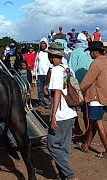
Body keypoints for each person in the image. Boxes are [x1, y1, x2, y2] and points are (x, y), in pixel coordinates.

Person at [45, 42, 78, 180]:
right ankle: (64, 176)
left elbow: (57, 92)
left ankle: (70, 175)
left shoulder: (57, 70)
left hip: (61, 114)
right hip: (71, 112)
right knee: (64, 146)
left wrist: (53, 116)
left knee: (52, 145)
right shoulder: (68, 68)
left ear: (51, 56)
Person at [77, 41, 107, 159]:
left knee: (98, 124)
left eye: (90, 51)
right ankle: (85, 145)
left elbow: (88, 80)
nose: (89, 54)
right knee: (94, 123)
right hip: (104, 96)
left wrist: (78, 91)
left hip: (96, 97)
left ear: (95, 52)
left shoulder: (96, 63)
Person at [68, 33, 93, 136]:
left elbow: (71, 68)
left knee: (73, 107)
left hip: (78, 85)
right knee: (86, 111)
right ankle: (88, 133)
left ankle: (78, 129)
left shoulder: (75, 52)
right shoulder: (91, 52)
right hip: (90, 84)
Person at [34, 37, 51, 108]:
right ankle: (41, 103)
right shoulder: (39, 53)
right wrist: (34, 74)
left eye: (44, 43)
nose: (43, 45)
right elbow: (36, 63)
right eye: (41, 43)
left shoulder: (49, 53)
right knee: (40, 89)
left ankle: (51, 102)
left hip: (47, 74)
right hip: (40, 74)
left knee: (49, 89)